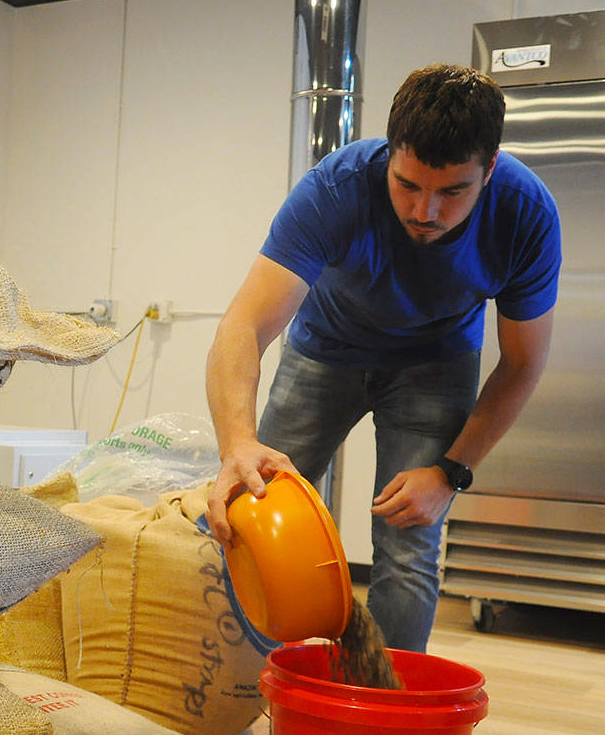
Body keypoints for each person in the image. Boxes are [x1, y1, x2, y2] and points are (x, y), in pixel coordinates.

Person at [205, 63, 561, 652]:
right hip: (326, 350)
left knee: (409, 544)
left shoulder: (526, 213)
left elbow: (523, 363)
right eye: (407, 184)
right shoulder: (336, 188)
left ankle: (384, 718)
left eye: (453, 192)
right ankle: (241, 695)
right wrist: (237, 442)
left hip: (436, 363)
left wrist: (450, 473)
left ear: (489, 170)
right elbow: (243, 325)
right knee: (249, 509)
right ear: (390, 154)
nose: (426, 211)